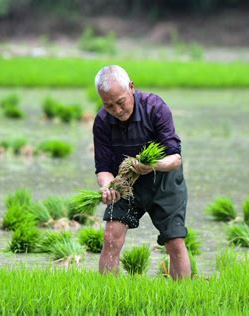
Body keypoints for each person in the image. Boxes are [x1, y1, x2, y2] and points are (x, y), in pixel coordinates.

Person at [93, 65, 191, 279]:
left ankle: (184, 300)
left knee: (174, 241)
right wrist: (107, 186)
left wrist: (152, 165)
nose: (117, 111)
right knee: (111, 237)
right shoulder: (102, 121)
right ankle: (105, 297)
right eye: (108, 106)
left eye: (120, 102)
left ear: (131, 87)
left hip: (163, 182)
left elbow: (175, 158)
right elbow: (103, 168)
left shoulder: (155, 108)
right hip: (125, 183)